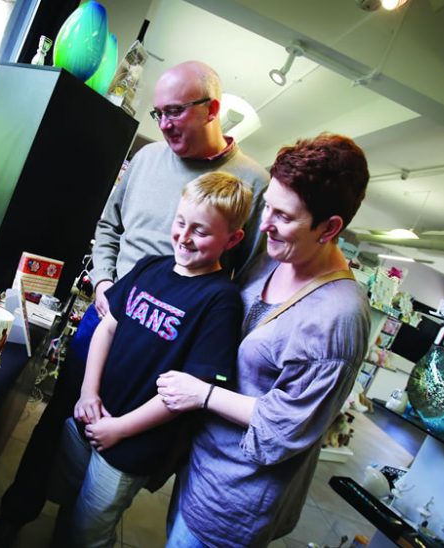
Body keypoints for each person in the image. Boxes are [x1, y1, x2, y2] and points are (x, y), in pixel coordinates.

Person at [0, 61, 268, 546]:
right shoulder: (147, 159)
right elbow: (108, 226)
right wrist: (104, 282)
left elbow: (246, 277)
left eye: (175, 111)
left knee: (126, 442)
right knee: (62, 419)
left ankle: (79, 524)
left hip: (171, 336)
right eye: (159, 113)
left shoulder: (251, 184)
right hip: (112, 315)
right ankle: (17, 513)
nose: (165, 124)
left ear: (212, 109)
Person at [156, 133, 372, 547]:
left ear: (329, 227)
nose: (266, 222)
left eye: (284, 216)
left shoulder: (337, 318)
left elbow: (283, 429)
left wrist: (202, 395)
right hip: (199, 465)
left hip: (234, 497)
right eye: (267, 205)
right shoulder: (274, 255)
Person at [60, 172, 250, 547]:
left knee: (91, 531)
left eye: (202, 231)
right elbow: (108, 327)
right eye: (181, 222)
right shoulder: (150, 266)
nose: (185, 236)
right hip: (90, 413)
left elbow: (185, 393)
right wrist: (87, 392)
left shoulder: (220, 300)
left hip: (132, 442)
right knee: (68, 505)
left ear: (232, 239)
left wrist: (121, 429)